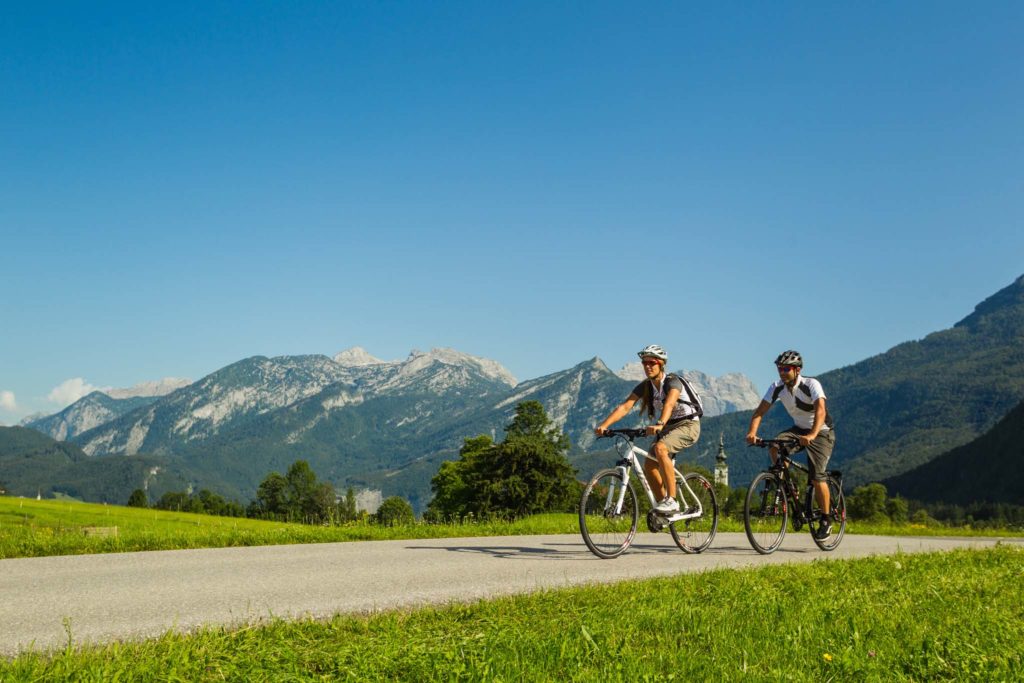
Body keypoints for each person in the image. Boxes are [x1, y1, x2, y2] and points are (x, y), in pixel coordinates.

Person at [595, 344, 702, 514]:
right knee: (649, 465)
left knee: (660, 448)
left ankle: (672, 500)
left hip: (688, 425)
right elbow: (625, 407)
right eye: (644, 363)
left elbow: (669, 403)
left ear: (661, 364)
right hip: (668, 427)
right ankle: (663, 509)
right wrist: (604, 425)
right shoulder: (646, 386)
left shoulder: (672, 381)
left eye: (652, 362)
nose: (647, 366)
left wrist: (660, 423)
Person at [745, 350, 836, 539]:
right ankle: (784, 482)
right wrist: (752, 433)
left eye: (786, 368)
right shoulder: (777, 387)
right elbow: (759, 413)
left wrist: (812, 434)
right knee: (775, 445)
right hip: (798, 429)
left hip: (821, 432)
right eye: (779, 368)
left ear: (797, 370)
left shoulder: (811, 384)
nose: (782, 372)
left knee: (817, 476)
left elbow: (820, 411)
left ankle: (826, 519)